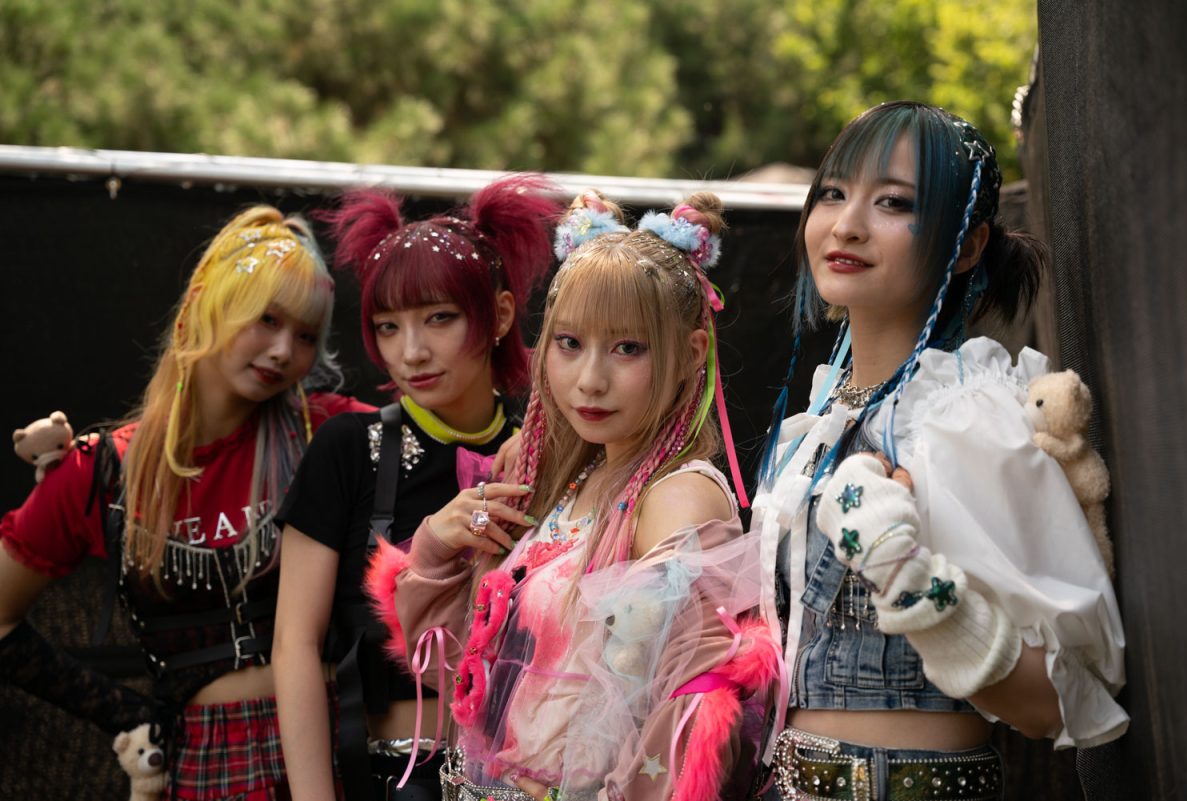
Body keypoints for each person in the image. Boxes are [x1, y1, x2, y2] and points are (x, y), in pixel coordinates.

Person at [754, 101, 1127, 800]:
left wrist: (915, 583)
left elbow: (1059, 702)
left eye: (892, 202)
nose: (848, 223)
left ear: (965, 245)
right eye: (833, 192)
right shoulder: (820, 419)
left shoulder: (965, 415)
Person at [364, 190, 776, 801]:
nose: (589, 380)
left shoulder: (676, 498)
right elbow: (476, 685)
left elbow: (688, 728)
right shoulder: (564, 481)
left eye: (627, 348)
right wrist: (434, 548)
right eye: (569, 344)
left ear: (690, 355)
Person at [0, 206, 371, 800]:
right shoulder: (99, 473)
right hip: (205, 764)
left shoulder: (327, 433)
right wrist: (125, 715)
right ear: (205, 301)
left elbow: (440, 446)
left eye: (305, 335)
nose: (283, 350)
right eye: (267, 319)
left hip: (338, 745)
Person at [271, 175, 562, 801]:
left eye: (439, 318)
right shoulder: (348, 448)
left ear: (500, 316)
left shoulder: (543, 459)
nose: (412, 351)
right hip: (377, 776)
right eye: (388, 326)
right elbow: (293, 645)